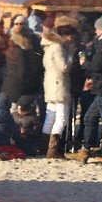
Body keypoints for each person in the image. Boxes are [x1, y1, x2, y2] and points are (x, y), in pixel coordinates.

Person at [66, 16, 102, 168]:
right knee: (89, 117)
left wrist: (85, 63)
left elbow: (98, 66)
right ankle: (85, 150)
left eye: (98, 28)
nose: (96, 30)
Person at [40, 16, 78, 159]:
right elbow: (64, 67)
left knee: (50, 116)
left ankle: (44, 147)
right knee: (61, 117)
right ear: (66, 35)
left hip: (50, 83)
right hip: (59, 84)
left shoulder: (49, 45)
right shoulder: (58, 47)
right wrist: (71, 54)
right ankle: (53, 150)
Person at [0, 15, 43, 110]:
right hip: (15, 84)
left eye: (21, 24)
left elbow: (37, 63)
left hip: (27, 84)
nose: (19, 26)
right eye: (16, 23)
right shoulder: (13, 44)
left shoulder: (33, 41)